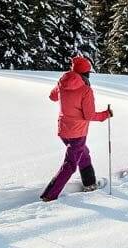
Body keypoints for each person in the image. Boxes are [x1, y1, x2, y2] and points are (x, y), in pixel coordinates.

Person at [42, 54, 112, 201]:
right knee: (70, 164)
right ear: (85, 73)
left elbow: (52, 97)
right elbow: (89, 115)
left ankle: (90, 184)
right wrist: (106, 114)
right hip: (77, 132)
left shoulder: (62, 83)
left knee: (83, 154)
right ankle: (49, 195)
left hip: (64, 130)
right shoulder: (86, 90)